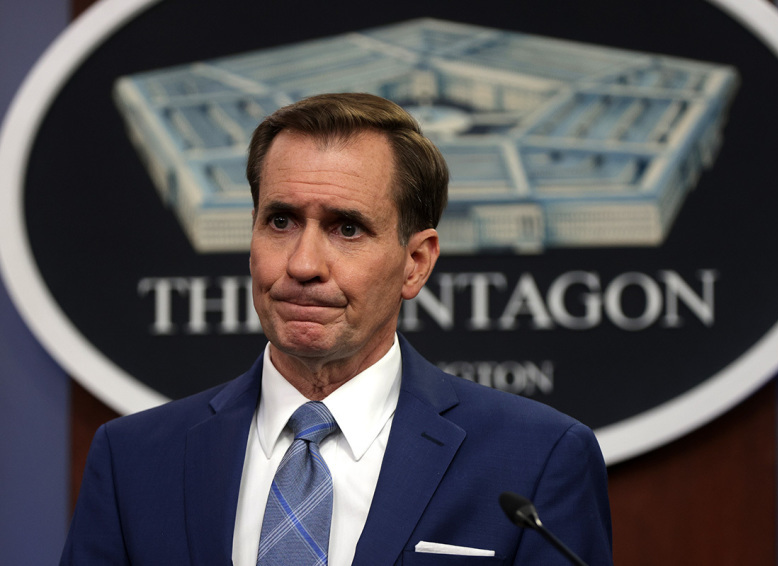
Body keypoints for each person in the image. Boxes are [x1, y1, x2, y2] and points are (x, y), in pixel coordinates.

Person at [61, 93, 613, 565]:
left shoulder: (535, 459)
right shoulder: (134, 459)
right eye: (280, 221)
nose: (303, 264)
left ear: (416, 262)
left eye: (347, 228)